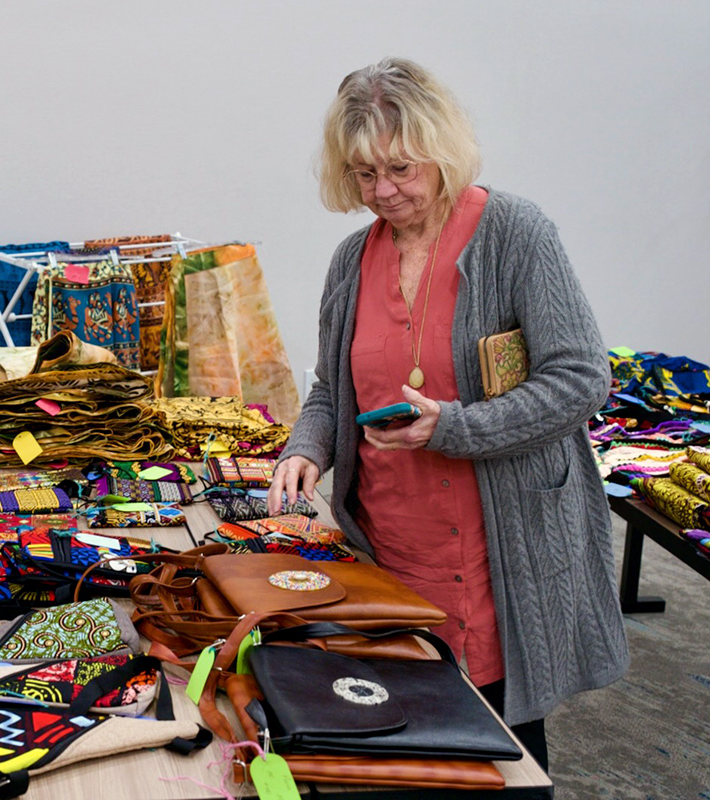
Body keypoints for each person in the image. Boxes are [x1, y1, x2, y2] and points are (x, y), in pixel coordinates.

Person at [267, 58, 628, 771]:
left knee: (502, 749)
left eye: (401, 169)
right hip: (392, 543)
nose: (384, 192)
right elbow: (333, 391)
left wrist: (457, 427)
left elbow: (582, 377)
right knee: (400, 732)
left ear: (442, 150)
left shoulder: (515, 234)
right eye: (364, 174)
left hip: (498, 550)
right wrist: (305, 448)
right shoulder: (353, 259)